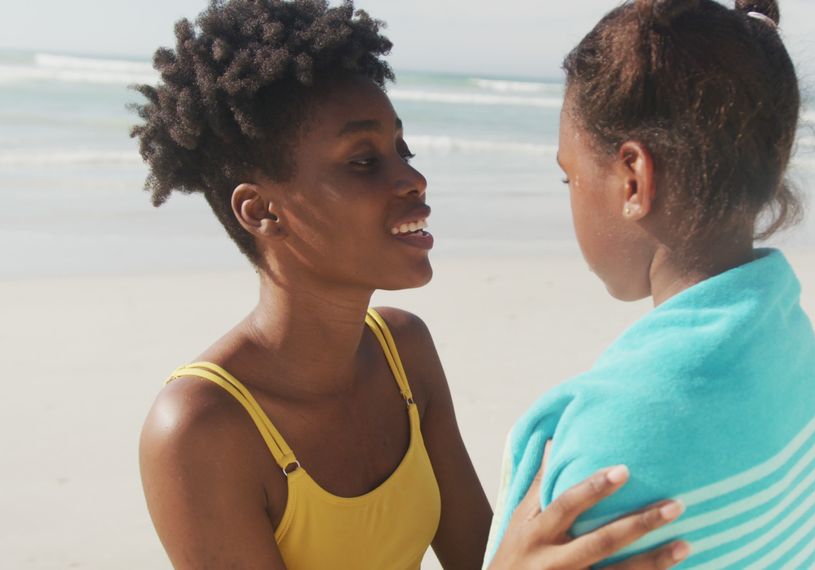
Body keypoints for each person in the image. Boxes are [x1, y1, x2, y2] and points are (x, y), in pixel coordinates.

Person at [133, 1, 686, 568]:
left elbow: (478, 556)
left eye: (403, 150)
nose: (413, 178)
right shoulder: (199, 429)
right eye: (362, 161)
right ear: (262, 212)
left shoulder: (404, 351)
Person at [485, 0, 815, 567]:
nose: (569, 193)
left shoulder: (610, 447)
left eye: (569, 175)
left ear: (633, 179)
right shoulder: (789, 346)